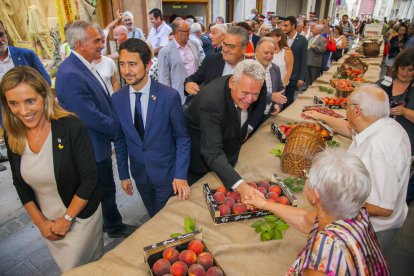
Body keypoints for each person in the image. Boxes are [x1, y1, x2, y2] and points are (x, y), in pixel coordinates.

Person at [1, 66, 103, 272]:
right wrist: (40, 223)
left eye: (30, 101)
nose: (23, 111)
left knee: (82, 268)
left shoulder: (71, 127)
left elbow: (89, 180)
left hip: (80, 218)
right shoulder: (12, 134)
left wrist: (66, 220)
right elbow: (20, 184)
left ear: (45, 97)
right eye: (14, 103)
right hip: (47, 221)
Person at [245, 149, 389, 275]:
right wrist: (264, 204)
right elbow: (306, 220)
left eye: (308, 176)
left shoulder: (324, 257)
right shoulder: (352, 213)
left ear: (315, 196)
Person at [304, 86, 411, 255]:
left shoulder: (379, 148)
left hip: (372, 231)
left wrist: (332, 206)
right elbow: (348, 128)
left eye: (346, 105)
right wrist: (320, 116)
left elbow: (382, 207)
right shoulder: (379, 124)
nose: (345, 109)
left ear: (356, 111)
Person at [55, 21, 137, 238]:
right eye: (97, 41)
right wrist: (120, 129)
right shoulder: (72, 72)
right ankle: (114, 226)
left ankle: (104, 222)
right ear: (81, 44)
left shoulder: (80, 65)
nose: (102, 44)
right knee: (104, 188)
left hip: (94, 142)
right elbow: (89, 115)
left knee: (101, 188)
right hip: (91, 146)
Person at [112, 38, 191, 217]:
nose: (126, 71)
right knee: (153, 216)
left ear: (147, 65)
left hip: (167, 176)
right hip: (140, 175)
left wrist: (180, 175)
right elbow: (120, 139)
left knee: (164, 220)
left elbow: (182, 138)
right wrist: (124, 175)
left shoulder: (168, 96)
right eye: (122, 64)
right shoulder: (117, 99)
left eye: (132, 64)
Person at [185, 59, 267, 202]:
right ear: (232, 83)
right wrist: (240, 186)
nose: (249, 99)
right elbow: (212, 152)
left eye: (255, 94)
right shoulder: (211, 102)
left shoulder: (254, 84)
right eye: (245, 93)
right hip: (200, 159)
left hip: (226, 150)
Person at [184, 26, 267, 132]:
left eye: (231, 46)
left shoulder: (254, 69)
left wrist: (249, 128)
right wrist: (188, 84)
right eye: (225, 44)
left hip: (238, 128)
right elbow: (193, 78)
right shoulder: (211, 61)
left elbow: (261, 103)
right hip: (209, 125)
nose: (226, 49)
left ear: (244, 49)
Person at [377, 48, 414, 202]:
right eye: (402, 68)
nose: (405, 72)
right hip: (381, 145)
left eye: (410, 69)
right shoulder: (384, 83)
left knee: (398, 190)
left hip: (406, 146)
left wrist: (404, 111)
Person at [158, 19, 203, 104]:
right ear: (178, 32)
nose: (189, 33)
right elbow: (163, 80)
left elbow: (199, 66)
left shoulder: (194, 44)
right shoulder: (165, 51)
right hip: (179, 97)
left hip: (197, 93)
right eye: (187, 31)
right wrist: (169, 100)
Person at [254, 37, 285, 120]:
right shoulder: (248, 67)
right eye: (266, 53)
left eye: (272, 53)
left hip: (269, 115)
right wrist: (270, 96)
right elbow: (248, 91)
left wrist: (278, 104)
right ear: (256, 52)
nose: (269, 56)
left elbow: (280, 89)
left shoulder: (275, 68)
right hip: (252, 116)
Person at [280, 16, 308, 108]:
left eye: (286, 25)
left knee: (288, 99)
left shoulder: (302, 40)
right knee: (280, 99)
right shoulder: (282, 38)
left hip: (293, 76)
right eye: (283, 25)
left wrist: (301, 78)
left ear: (293, 26)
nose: (284, 28)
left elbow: (304, 60)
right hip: (282, 74)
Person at [93, 28, 119, 95]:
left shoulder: (109, 62)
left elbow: (115, 83)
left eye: (103, 41)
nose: (102, 46)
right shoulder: (83, 64)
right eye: (97, 42)